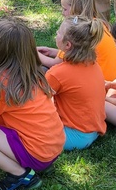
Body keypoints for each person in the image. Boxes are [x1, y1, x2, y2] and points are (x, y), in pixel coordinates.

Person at [0, 18, 66, 190]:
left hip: (37, 153)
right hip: (52, 149)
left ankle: (21, 175)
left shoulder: (0, 81)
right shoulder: (33, 71)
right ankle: (36, 165)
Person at [46, 17, 107, 151]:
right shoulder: (93, 64)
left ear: (67, 45)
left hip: (73, 137)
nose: (56, 33)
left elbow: (36, 100)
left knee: (26, 125)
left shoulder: (58, 73)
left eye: (59, 32)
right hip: (94, 130)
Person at [37, 0, 116, 81]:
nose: (62, 13)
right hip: (111, 81)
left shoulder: (75, 31)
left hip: (99, 84)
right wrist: (50, 51)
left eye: (65, 9)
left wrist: (34, 54)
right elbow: (75, 55)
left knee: (42, 71)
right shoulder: (96, 25)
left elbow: (55, 63)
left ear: (75, 9)